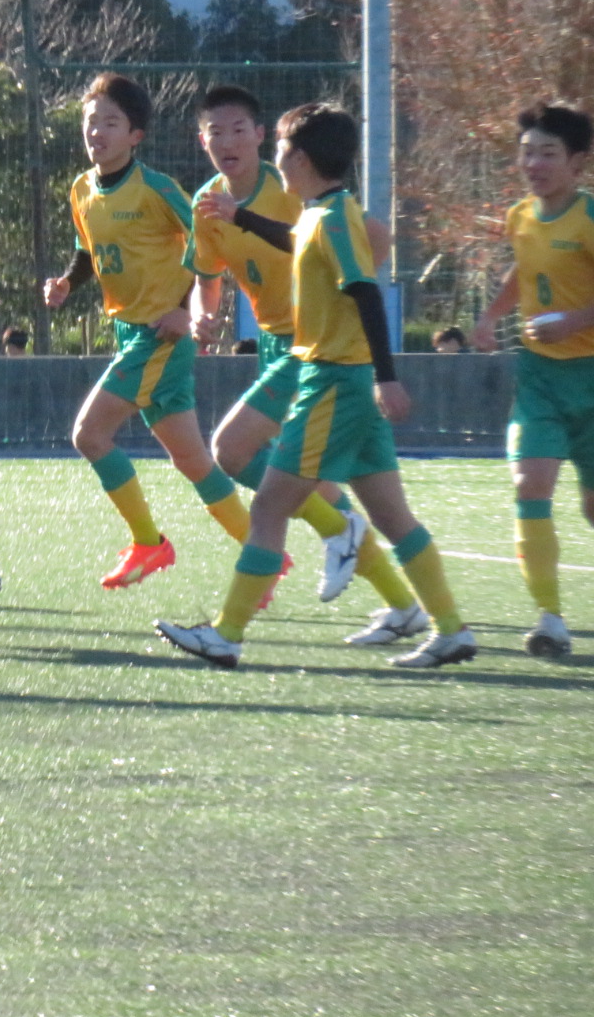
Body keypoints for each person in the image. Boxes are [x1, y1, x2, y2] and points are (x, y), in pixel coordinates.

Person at [159, 102, 476, 669]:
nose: (276, 158)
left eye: (280, 148)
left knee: (270, 507)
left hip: (331, 381)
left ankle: (226, 634)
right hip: (344, 381)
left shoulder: (332, 219)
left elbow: (366, 293)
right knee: (392, 517)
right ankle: (450, 629)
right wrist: (243, 219)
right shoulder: (320, 213)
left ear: (299, 159)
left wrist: (387, 377)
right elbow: (295, 239)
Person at [186, 84, 422, 632]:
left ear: (260, 136)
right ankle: (404, 604)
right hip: (276, 344)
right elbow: (207, 279)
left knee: (235, 452)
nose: (228, 142)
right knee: (311, 484)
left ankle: (231, 629)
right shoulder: (206, 204)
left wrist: (337, 300)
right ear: (202, 141)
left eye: (238, 130)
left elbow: (370, 237)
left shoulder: (293, 181)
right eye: (216, 132)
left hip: (313, 347)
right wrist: (203, 314)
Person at [43, 73, 252, 591]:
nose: (97, 131)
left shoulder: (157, 189)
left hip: (158, 337)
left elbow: (208, 244)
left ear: (135, 135)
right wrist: (67, 282)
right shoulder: (81, 189)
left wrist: (188, 312)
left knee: (89, 435)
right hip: (128, 332)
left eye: (111, 122)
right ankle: (262, 551)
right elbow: (89, 251)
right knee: (192, 460)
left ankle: (148, 542)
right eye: (91, 121)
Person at [473, 103, 594, 658]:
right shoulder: (521, 216)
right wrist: (491, 316)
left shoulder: (588, 218)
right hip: (540, 377)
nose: (534, 164)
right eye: (527, 153)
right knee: (530, 484)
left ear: (578, 162)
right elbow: (524, 269)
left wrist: (574, 321)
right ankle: (550, 620)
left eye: (548, 153)